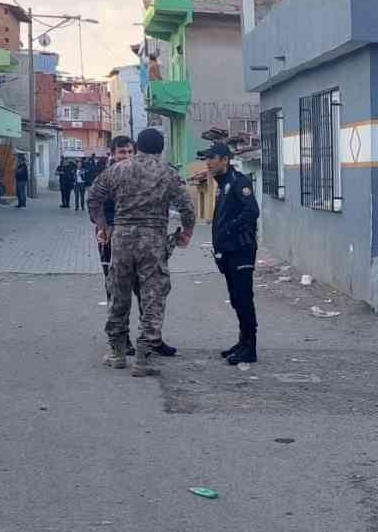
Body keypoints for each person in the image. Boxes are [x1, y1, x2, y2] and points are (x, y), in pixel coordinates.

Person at [86, 127, 195, 376]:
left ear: (138, 147)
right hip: (153, 240)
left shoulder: (117, 170)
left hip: (121, 238)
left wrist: (102, 226)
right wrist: (186, 232)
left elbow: (94, 199)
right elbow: (187, 208)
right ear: (160, 149)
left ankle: (117, 353)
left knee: (118, 293)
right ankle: (143, 359)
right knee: (153, 296)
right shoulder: (168, 174)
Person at [97, 136, 177, 358]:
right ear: (112, 154)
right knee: (118, 292)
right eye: (121, 152)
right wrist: (104, 227)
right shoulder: (111, 175)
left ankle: (150, 340)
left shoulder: (145, 173)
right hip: (113, 240)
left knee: (147, 292)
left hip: (143, 241)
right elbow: (96, 203)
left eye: (129, 151)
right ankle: (123, 344)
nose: (125, 155)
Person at [203, 142, 260, 365]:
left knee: (244, 298)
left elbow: (252, 210)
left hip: (241, 250)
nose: (208, 162)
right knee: (236, 298)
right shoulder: (223, 183)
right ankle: (242, 342)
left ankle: (250, 348)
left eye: (212, 158)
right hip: (227, 251)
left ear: (225, 159)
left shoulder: (239, 181)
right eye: (206, 158)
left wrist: (231, 228)